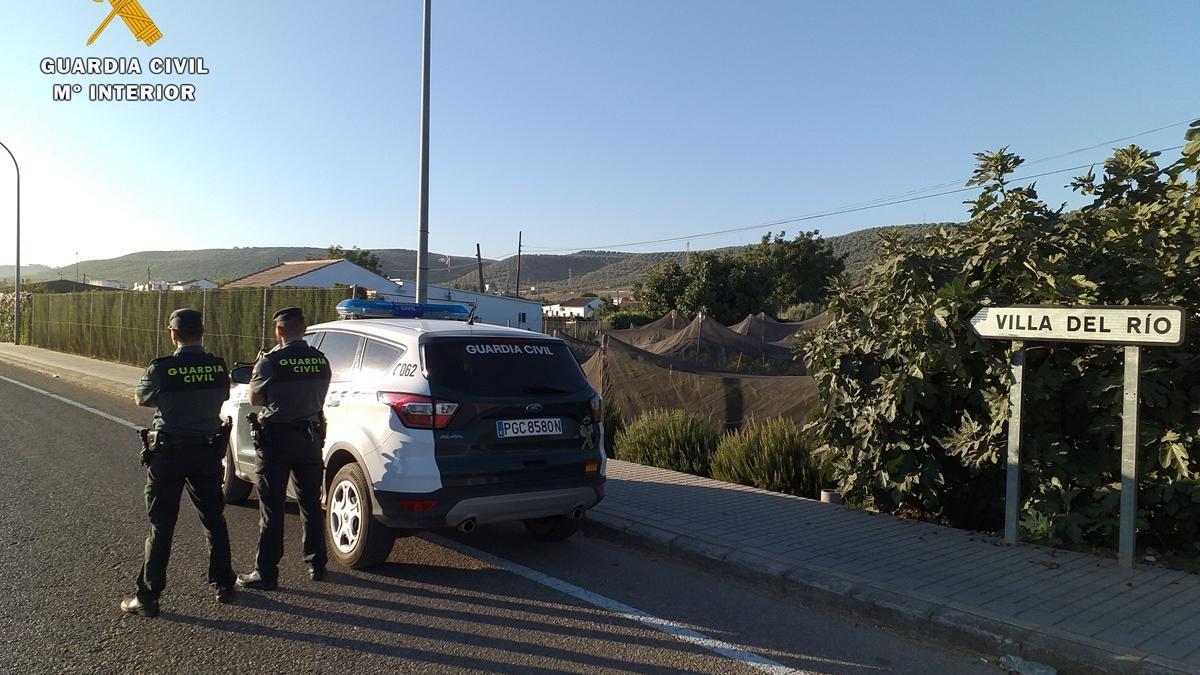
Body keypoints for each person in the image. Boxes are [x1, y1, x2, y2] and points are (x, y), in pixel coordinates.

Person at [121, 308, 236, 617]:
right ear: (202, 332)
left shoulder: (162, 368)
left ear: (173, 334)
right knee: (214, 518)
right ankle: (224, 584)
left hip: (169, 453)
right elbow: (222, 397)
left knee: (162, 525)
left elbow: (141, 398)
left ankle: (148, 597)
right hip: (207, 452)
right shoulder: (217, 366)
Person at [237, 307, 332, 590]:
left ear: (278, 330)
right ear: (304, 329)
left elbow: (254, 399)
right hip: (309, 439)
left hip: (276, 440)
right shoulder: (320, 360)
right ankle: (317, 563)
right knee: (310, 503)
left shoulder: (270, 362)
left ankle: (266, 572)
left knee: (272, 507)